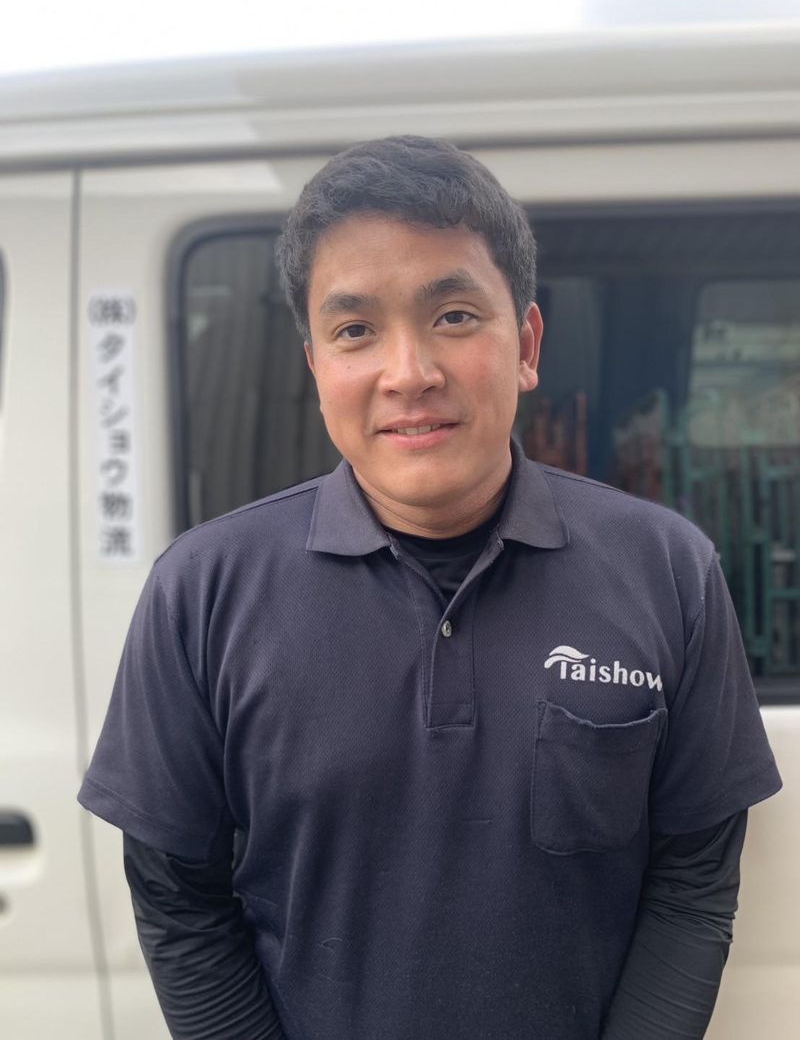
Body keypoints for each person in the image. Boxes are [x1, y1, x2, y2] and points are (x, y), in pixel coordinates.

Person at [79, 135, 781, 1040]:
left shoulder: (668, 571)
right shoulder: (202, 592)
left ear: (525, 343)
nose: (409, 373)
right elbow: (178, 900)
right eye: (355, 330)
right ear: (317, 365)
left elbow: (693, 881)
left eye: (453, 315)